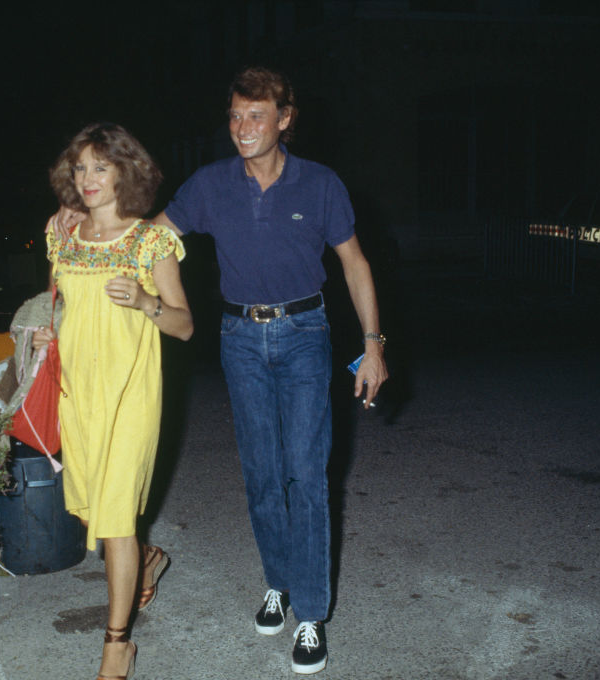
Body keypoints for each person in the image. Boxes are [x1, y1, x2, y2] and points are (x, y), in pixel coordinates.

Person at [52, 66, 388, 676]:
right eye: (234, 116)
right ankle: (277, 585)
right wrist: (73, 214)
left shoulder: (319, 184)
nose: (242, 128)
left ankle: (311, 614)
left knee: (306, 475)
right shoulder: (210, 185)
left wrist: (373, 345)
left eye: (256, 116)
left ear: (284, 119)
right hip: (239, 336)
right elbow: (142, 236)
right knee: (261, 474)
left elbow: (355, 264)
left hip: (306, 333)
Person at [35, 122, 193, 680]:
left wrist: (147, 301)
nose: (89, 178)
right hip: (79, 393)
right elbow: (64, 309)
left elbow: (184, 326)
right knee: (96, 515)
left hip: (131, 393)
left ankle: (117, 644)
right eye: (80, 167)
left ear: (127, 171)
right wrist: (45, 334)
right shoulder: (63, 236)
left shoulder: (151, 241)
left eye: (101, 166)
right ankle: (150, 561)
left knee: (117, 520)